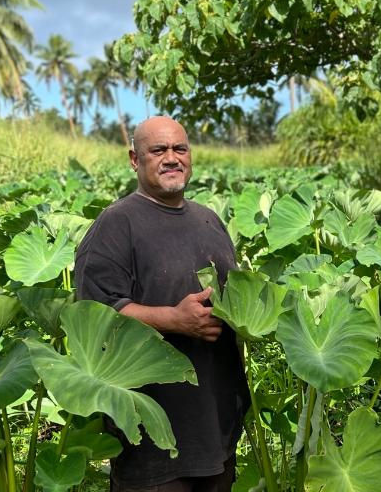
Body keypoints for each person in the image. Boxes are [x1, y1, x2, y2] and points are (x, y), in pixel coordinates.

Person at [74, 116, 248, 492]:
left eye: (179, 148)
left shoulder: (209, 220)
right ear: (135, 160)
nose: (172, 158)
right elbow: (94, 315)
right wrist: (173, 319)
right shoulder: (116, 224)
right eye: (159, 150)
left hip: (216, 428)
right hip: (152, 437)